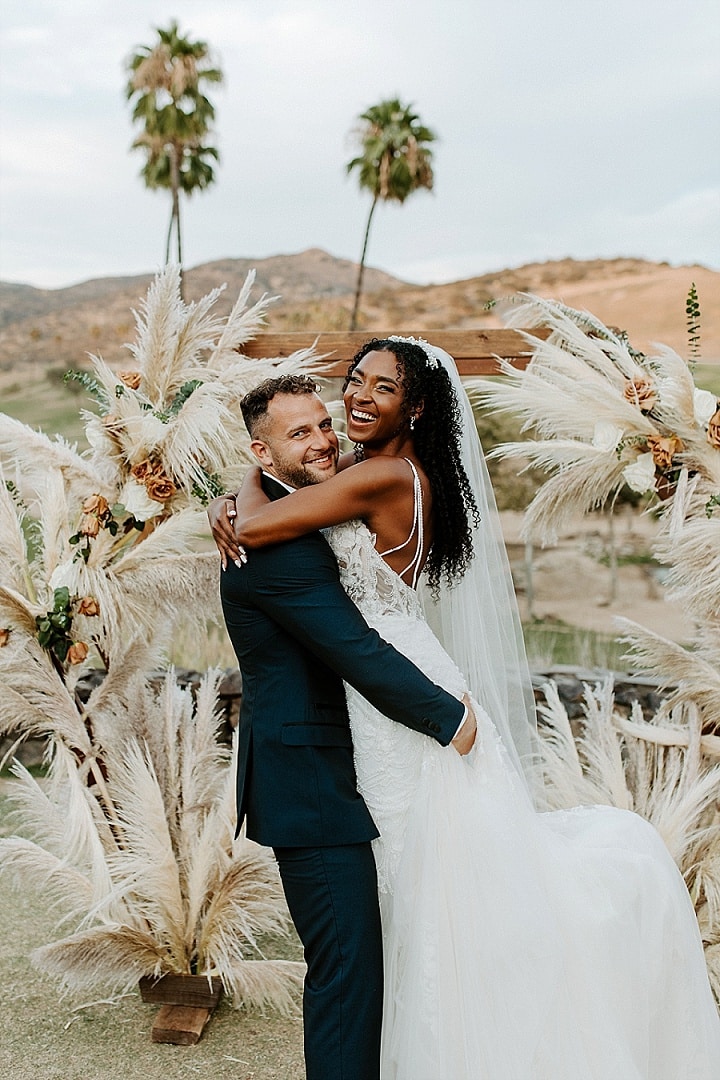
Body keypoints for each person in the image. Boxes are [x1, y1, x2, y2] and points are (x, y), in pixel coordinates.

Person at [212, 338, 720, 1079]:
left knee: (440, 901)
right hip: (382, 709)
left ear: (415, 406)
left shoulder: (380, 473)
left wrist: (232, 503)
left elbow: (268, 538)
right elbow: (278, 503)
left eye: (380, 388)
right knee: (416, 911)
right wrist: (240, 486)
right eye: (353, 381)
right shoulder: (368, 467)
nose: (352, 403)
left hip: (409, 700)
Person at [215, 373, 476, 1080]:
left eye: (323, 423)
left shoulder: (287, 509)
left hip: (341, 768)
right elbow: (354, 651)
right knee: (347, 973)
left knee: (365, 962)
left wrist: (240, 486)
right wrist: (450, 717)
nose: (324, 439)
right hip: (311, 785)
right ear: (263, 451)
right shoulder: (275, 548)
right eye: (299, 433)